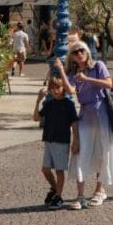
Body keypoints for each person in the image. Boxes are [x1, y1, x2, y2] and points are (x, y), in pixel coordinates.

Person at [59, 42, 113, 210]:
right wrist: (62, 70)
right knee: (80, 152)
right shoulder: (74, 73)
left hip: (102, 114)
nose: (79, 53)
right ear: (72, 57)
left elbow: (109, 83)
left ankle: (100, 190)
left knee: (102, 151)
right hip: (85, 114)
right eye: (75, 52)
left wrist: (87, 79)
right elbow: (70, 90)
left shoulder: (98, 66)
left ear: (87, 52)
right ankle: (80, 195)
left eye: (81, 50)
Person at [33, 75, 79, 210]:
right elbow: (36, 118)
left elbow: (74, 123)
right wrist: (38, 101)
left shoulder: (68, 104)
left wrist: (75, 140)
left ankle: (58, 196)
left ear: (63, 87)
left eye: (58, 87)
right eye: (52, 88)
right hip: (48, 140)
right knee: (45, 169)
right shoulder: (48, 104)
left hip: (62, 141)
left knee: (59, 170)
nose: (55, 91)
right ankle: (54, 189)